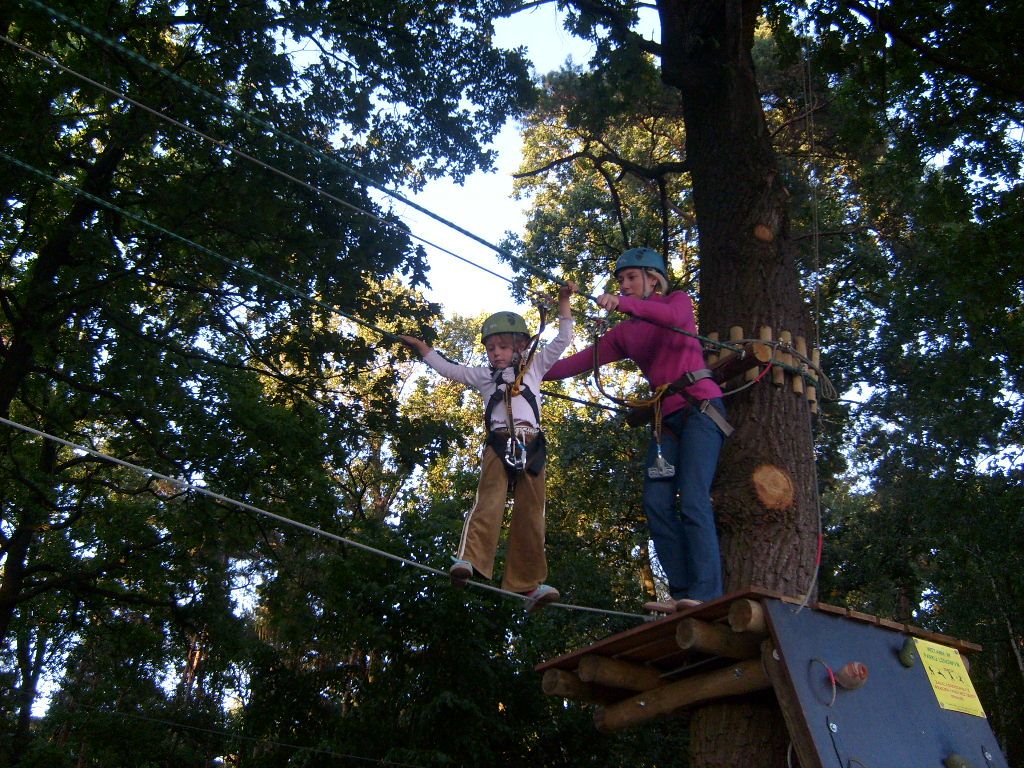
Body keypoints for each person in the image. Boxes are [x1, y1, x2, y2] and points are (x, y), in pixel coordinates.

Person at [544, 248, 729, 612]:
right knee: (656, 504)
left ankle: (708, 592)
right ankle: (682, 593)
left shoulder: (677, 302)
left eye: (631, 277)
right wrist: (525, 371)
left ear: (653, 280)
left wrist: (623, 304)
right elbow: (576, 363)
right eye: (621, 280)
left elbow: (670, 317)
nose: (624, 285)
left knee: (693, 497)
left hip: (700, 408)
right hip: (665, 423)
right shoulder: (625, 333)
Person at [400, 283, 574, 611]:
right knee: (489, 501)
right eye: (491, 348)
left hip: (532, 445)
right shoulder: (484, 377)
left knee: (531, 513)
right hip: (499, 443)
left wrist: (564, 301)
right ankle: (469, 559)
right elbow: (449, 369)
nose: (496, 353)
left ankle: (528, 584)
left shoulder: (534, 368)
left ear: (521, 347)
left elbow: (563, 339)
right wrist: (424, 349)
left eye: (503, 347)